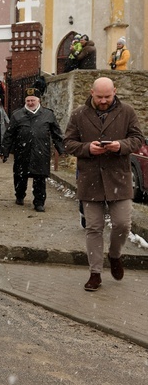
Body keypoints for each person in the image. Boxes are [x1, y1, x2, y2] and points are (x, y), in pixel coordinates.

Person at [64, 77, 144, 291]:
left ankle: (115, 255)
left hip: (119, 178)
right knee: (94, 228)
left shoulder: (126, 111)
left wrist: (121, 145)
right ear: (91, 92)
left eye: (107, 96)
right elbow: (68, 143)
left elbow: (138, 139)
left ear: (114, 91)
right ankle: (95, 273)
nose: (103, 101)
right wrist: (88, 148)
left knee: (122, 224)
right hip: (90, 180)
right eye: (99, 96)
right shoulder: (79, 114)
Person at [0, 87, 65, 212]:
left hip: (41, 152)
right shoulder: (17, 115)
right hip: (22, 152)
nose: (30, 103)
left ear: (38, 100)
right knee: (20, 176)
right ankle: (20, 195)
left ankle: (39, 202)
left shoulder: (48, 114)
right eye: (28, 100)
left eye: (32, 100)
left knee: (40, 179)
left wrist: (61, 149)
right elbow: (9, 135)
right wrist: (4, 151)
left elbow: (56, 133)